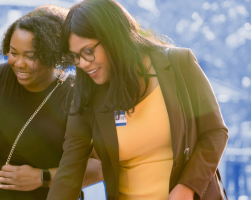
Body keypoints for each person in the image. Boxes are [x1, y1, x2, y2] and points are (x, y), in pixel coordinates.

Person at [46, 0, 229, 200]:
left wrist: (187, 187)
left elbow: (214, 132)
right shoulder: (87, 96)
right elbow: (69, 172)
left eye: (88, 51)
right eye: (75, 56)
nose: (82, 63)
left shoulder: (178, 65)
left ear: (114, 38)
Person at [0, 5, 103, 200]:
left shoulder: (79, 97)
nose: (19, 63)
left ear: (53, 55)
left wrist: (43, 177)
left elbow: (100, 165)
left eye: (30, 56)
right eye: (13, 52)